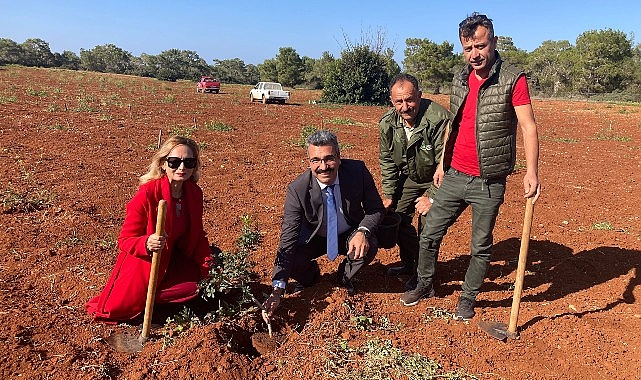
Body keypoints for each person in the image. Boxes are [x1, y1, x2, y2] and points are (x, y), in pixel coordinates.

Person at [400, 13, 541, 321]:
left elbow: (528, 127)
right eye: (468, 48)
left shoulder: (512, 78)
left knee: (480, 244)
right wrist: (442, 163)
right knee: (430, 232)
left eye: (480, 45)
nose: (475, 54)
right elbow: (455, 123)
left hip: (488, 181)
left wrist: (532, 172)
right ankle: (425, 284)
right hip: (454, 174)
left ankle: (468, 297)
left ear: (493, 42)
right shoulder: (460, 77)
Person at [86, 136, 213, 322]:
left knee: (200, 285)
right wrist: (147, 242)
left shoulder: (194, 194)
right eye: (175, 162)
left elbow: (198, 235)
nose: (182, 168)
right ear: (163, 164)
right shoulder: (147, 194)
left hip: (176, 258)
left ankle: (160, 300)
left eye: (189, 162)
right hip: (147, 263)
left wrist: (209, 268)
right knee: (119, 307)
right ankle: (153, 300)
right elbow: (125, 240)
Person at [262, 130, 384, 318]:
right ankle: (311, 279)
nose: (323, 166)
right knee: (293, 258)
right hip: (315, 236)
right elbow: (287, 238)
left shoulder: (357, 172)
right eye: (316, 160)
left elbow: (376, 207)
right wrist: (277, 289)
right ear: (309, 162)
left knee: (368, 244)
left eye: (329, 158)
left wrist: (363, 231)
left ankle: (344, 277)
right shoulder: (298, 189)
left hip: (348, 233)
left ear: (339, 157)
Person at [379, 73, 452, 287]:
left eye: (409, 100)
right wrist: (389, 194)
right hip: (411, 177)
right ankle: (411, 264)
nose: (404, 107)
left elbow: (447, 164)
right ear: (391, 101)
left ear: (420, 96)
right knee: (396, 218)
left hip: (438, 179)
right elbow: (387, 160)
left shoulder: (439, 119)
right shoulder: (387, 124)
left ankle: (424, 277)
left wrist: (432, 197)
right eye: (398, 102)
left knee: (428, 224)